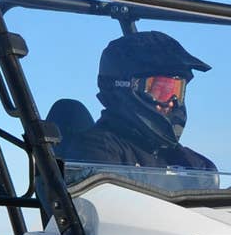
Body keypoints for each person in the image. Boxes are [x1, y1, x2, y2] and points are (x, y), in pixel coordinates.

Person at [60, 31, 217, 175]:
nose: (172, 102)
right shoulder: (97, 153)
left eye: (177, 91)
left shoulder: (186, 161)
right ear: (126, 88)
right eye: (161, 90)